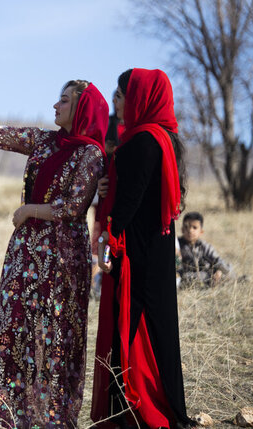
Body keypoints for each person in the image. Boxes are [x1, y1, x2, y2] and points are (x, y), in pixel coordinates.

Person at [0, 79, 107, 427]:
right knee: (14, 327)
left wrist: (29, 211)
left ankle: (51, 417)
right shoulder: (45, 141)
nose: (55, 107)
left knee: (56, 335)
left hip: (63, 261)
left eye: (64, 101)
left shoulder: (92, 154)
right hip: (25, 255)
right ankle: (8, 415)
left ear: (83, 109)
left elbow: (73, 208)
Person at [93, 69, 194, 428]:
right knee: (158, 326)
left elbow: (129, 203)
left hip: (136, 253)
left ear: (140, 98)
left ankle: (133, 409)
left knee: (132, 326)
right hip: (159, 249)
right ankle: (160, 402)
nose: (117, 103)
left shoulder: (139, 143)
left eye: (120, 95)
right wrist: (109, 186)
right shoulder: (164, 139)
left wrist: (108, 239)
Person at [91, 97, 126, 300]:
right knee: (100, 228)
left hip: (122, 188)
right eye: (114, 98)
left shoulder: (137, 132)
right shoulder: (109, 123)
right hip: (106, 182)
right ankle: (98, 274)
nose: (115, 102)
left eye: (120, 97)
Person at [178, 211, 232, 288]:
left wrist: (218, 271)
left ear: (201, 232)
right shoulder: (177, 245)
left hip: (206, 274)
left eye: (194, 227)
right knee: (187, 277)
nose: (190, 230)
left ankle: (236, 280)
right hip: (185, 275)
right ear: (182, 230)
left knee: (227, 269)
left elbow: (217, 260)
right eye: (187, 227)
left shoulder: (204, 246)